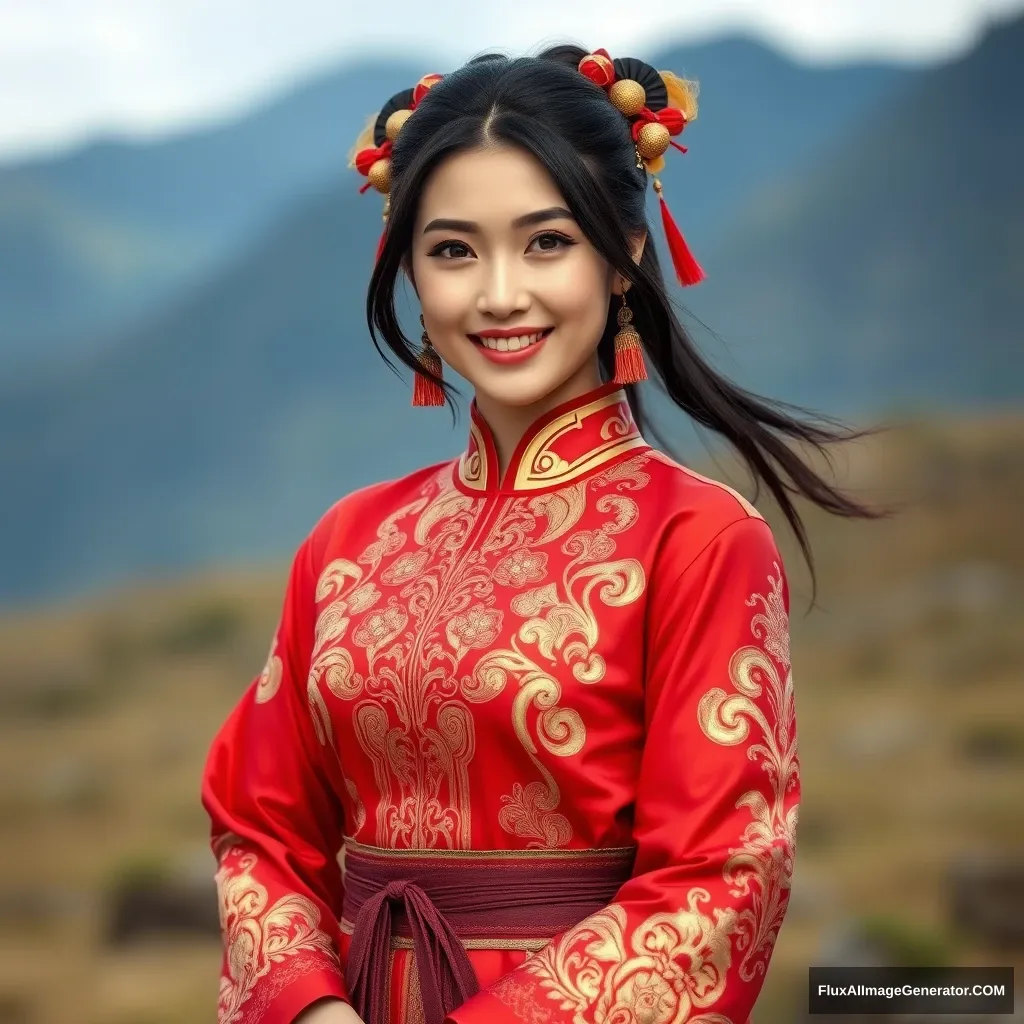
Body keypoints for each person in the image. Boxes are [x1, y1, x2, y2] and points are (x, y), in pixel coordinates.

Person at [202, 44, 881, 1024]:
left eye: (546, 242)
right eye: (452, 250)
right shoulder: (346, 541)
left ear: (624, 255)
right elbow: (258, 826)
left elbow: (718, 879)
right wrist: (310, 1009)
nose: (499, 293)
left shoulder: (695, 540)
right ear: (410, 273)